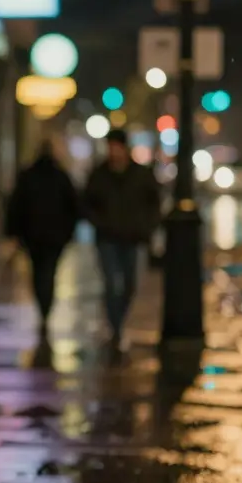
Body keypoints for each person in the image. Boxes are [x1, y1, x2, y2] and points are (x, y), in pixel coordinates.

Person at [83, 129, 162, 347]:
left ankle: (119, 322)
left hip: (132, 237)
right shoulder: (99, 174)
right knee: (111, 283)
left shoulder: (140, 174)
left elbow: (154, 202)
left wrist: (147, 226)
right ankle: (115, 327)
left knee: (129, 284)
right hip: (107, 238)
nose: (114, 151)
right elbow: (87, 202)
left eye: (117, 146)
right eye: (111, 147)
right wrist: (99, 222)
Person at [5, 136, 81, 336]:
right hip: (55, 237)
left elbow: (15, 206)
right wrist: (68, 231)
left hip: (34, 236)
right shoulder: (61, 176)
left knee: (38, 273)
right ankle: (45, 309)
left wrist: (14, 232)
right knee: (49, 273)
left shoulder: (28, 176)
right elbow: (74, 207)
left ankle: (43, 308)